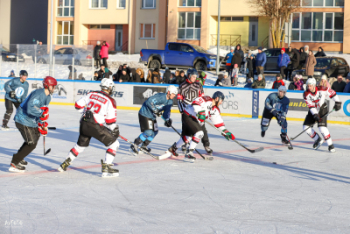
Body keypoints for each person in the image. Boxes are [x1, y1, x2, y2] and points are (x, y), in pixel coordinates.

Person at [58, 78, 120, 177]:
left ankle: (65, 163)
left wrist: (85, 113)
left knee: (80, 146)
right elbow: (110, 121)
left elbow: (78, 105)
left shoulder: (92, 94)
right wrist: (115, 129)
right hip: (95, 126)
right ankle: (107, 166)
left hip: (84, 123)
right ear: (109, 88)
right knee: (114, 144)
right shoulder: (111, 100)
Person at [161, 92, 235, 162]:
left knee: (188, 137)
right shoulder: (207, 99)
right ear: (217, 98)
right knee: (200, 133)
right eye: (221, 100)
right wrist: (200, 112)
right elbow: (196, 102)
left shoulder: (215, 110)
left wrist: (225, 131)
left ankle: (172, 149)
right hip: (188, 115)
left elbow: (218, 123)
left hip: (193, 119)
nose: (221, 102)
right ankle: (189, 153)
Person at [9, 76, 57, 172]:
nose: (54, 88)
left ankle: (19, 156)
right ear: (48, 85)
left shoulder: (47, 97)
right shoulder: (38, 94)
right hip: (22, 119)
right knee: (31, 143)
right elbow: (31, 109)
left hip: (31, 121)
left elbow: (42, 111)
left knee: (35, 136)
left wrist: (41, 124)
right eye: (53, 86)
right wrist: (41, 114)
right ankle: (15, 162)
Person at [130, 86, 178, 154]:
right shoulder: (161, 97)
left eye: (175, 94)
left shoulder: (170, 101)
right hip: (145, 113)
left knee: (155, 132)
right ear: (169, 92)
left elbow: (166, 112)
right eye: (173, 94)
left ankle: (144, 146)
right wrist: (156, 110)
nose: (174, 96)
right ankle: (135, 144)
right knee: (148, 132)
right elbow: (149, 102)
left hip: (152, 116)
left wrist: (167, 119)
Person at [177, 69, 213, 154]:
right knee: (185, 129)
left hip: (197, 110)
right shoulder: (182, 86)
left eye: (195, 76)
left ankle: (206, 145)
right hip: (186, 111)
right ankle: (185, 144)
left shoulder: (199, 85)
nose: (195, 78)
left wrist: (202, 111)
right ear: (189, 76)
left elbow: (202, 98)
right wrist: (182, 110)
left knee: (202, 129)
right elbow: (179, 100)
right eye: (193, 76)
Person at [302, 78, 342, 152]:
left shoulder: (322, 89)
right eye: (308, 86)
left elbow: (333, 93)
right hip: (313, 110)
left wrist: (338, 102)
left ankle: (330, 145)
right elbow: (310, 106)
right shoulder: (306, 94)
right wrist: (315, 114)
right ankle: (317, 139)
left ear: (314, 85)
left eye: (310, 86)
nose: (309, 87)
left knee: (322, 128)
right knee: (305, 127)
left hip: (323, 108)